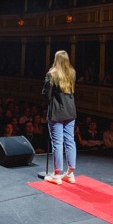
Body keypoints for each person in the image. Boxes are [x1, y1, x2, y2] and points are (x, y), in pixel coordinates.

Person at [41, 50, 78, 185]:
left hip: (57, 112)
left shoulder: (52, 74)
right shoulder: (72, 73)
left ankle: (57, 175)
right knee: (70, 141)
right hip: (70, 110)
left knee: (57, 142)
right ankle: (70, 173)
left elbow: (46, 94)